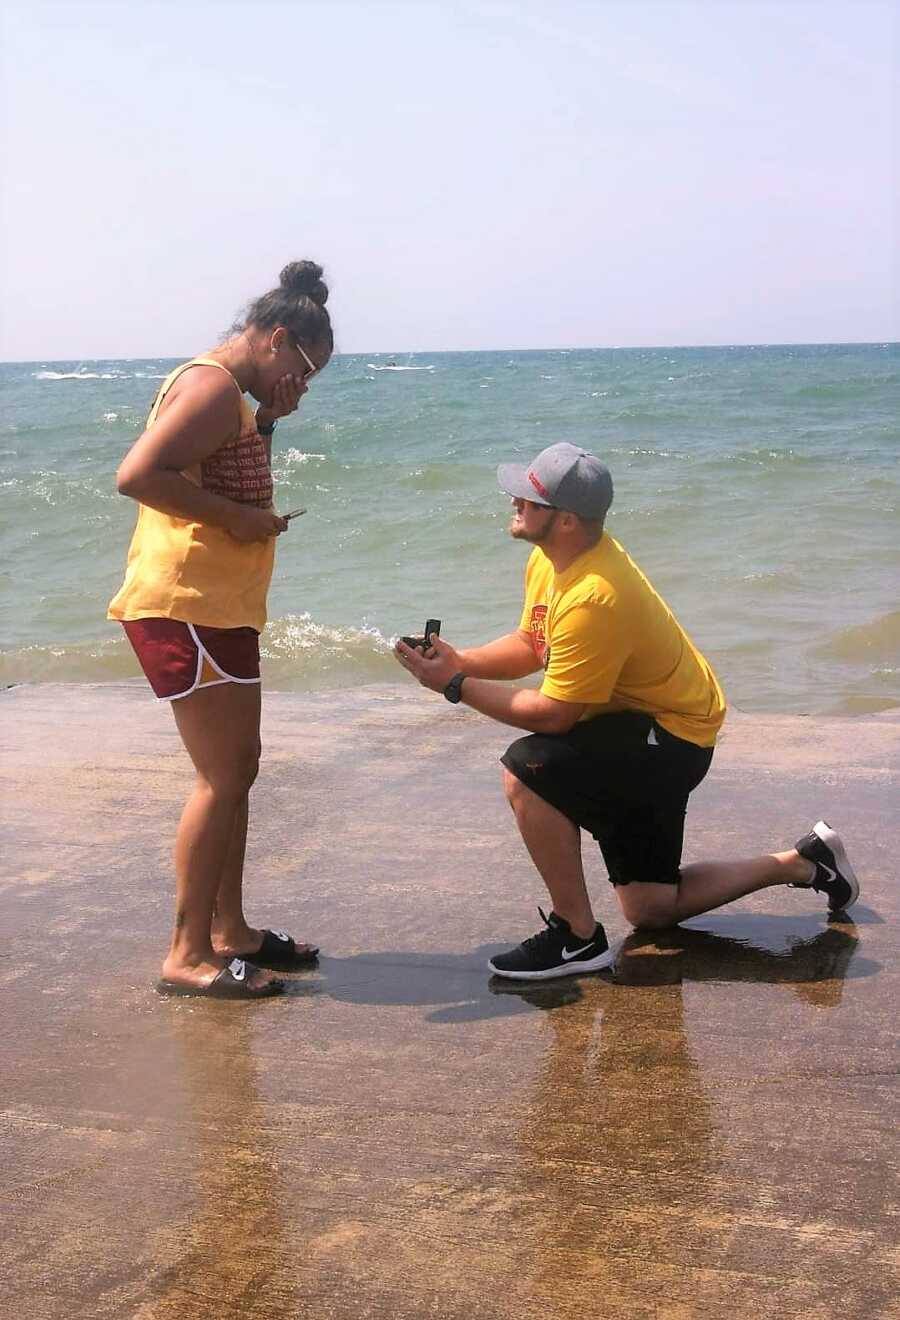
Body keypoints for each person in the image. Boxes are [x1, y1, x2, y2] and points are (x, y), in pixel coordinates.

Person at [394, 442, 860, 981]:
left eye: (530, 497)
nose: (514, 500)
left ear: (565, 520)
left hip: (670, 737)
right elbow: (532, 641)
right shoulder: (552, 562)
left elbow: (554, 715)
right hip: (643, 726)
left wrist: (454, 684)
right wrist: (462, 659)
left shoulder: (595, 595)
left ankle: (576, 937)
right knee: (650, 910)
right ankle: (805, 862)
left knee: (527, 768)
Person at [108, 260, 333, 999]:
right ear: (274, 339)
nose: (301, 387)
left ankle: (230, 930)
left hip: (218, 606)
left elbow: (215, 473)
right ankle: (185, 951)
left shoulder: (234, 397)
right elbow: (138, 474)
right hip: (185, 604)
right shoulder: (209, 387)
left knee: (240, 770)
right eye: (301, 370)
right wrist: (242, 521)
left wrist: (266, 423)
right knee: (221, 776)